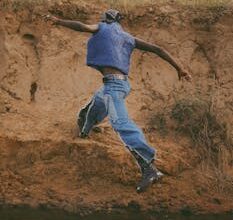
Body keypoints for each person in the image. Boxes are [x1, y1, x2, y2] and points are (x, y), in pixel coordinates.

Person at [44, 9, 191, 193]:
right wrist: (179, 68)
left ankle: (149, 168)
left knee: (121, 123)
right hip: (115, 85)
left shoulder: (104, 28)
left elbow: (82, 26)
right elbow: (157, 49)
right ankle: (85, 132)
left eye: (104, 17)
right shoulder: (128, 37)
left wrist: (58, 21)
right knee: (89, 110)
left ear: (108, 19)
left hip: (114, 87)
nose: (102, 19)